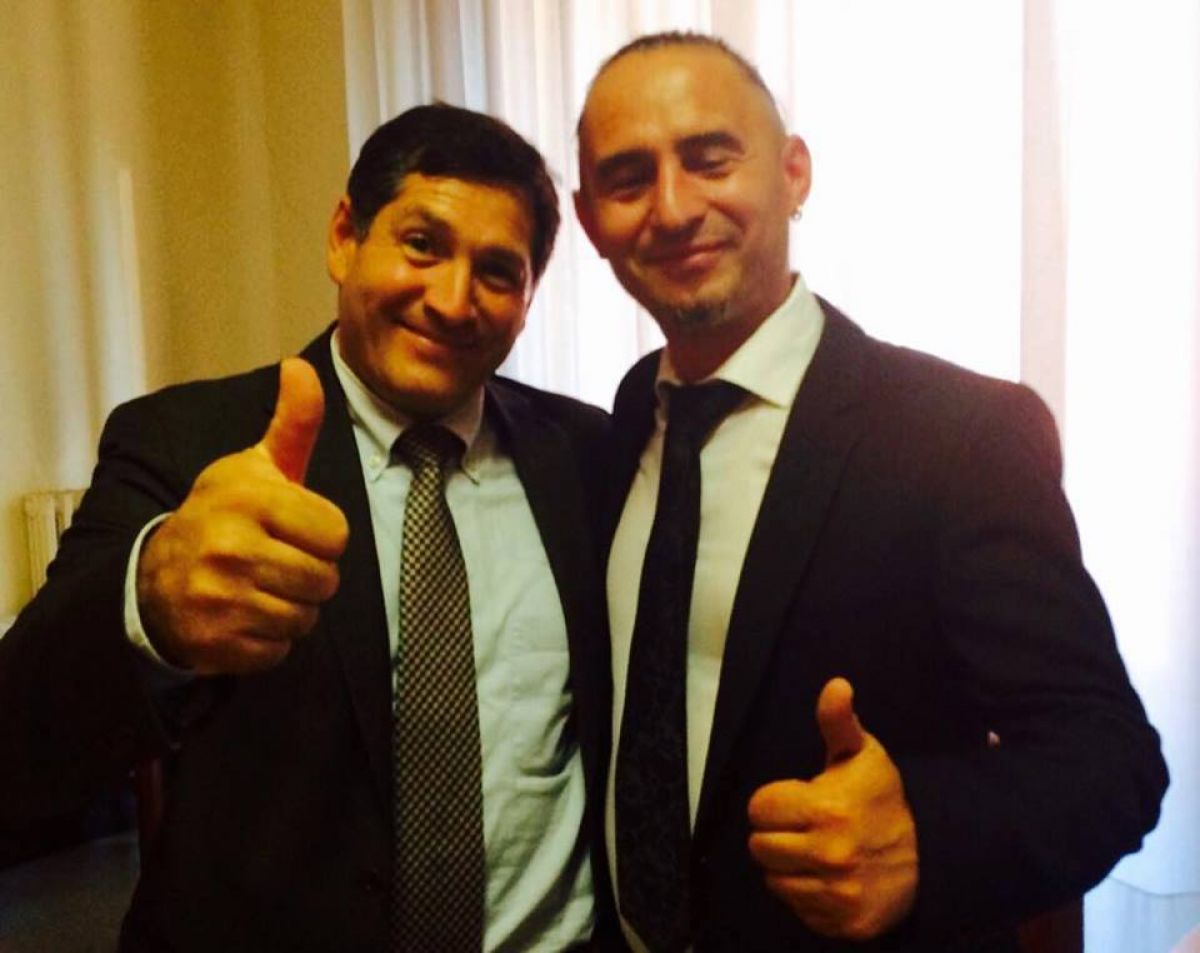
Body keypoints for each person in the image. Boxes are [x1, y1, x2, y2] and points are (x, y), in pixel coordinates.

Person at [574, 31, 1167, 952]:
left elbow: (1112, 762)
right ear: (588, 219)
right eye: (627, 178)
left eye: (710, 159)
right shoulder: (623, 422)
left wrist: (925, 834)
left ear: (793, 173)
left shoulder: (960, 433)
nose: (674, 206)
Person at [0, 103, 614, 952]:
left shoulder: (587, 455)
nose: (451, 300)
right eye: (422, 244)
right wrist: (147, 603)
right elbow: (22, 740)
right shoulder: (187, 441)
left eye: (498, 271)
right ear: (343, 237)